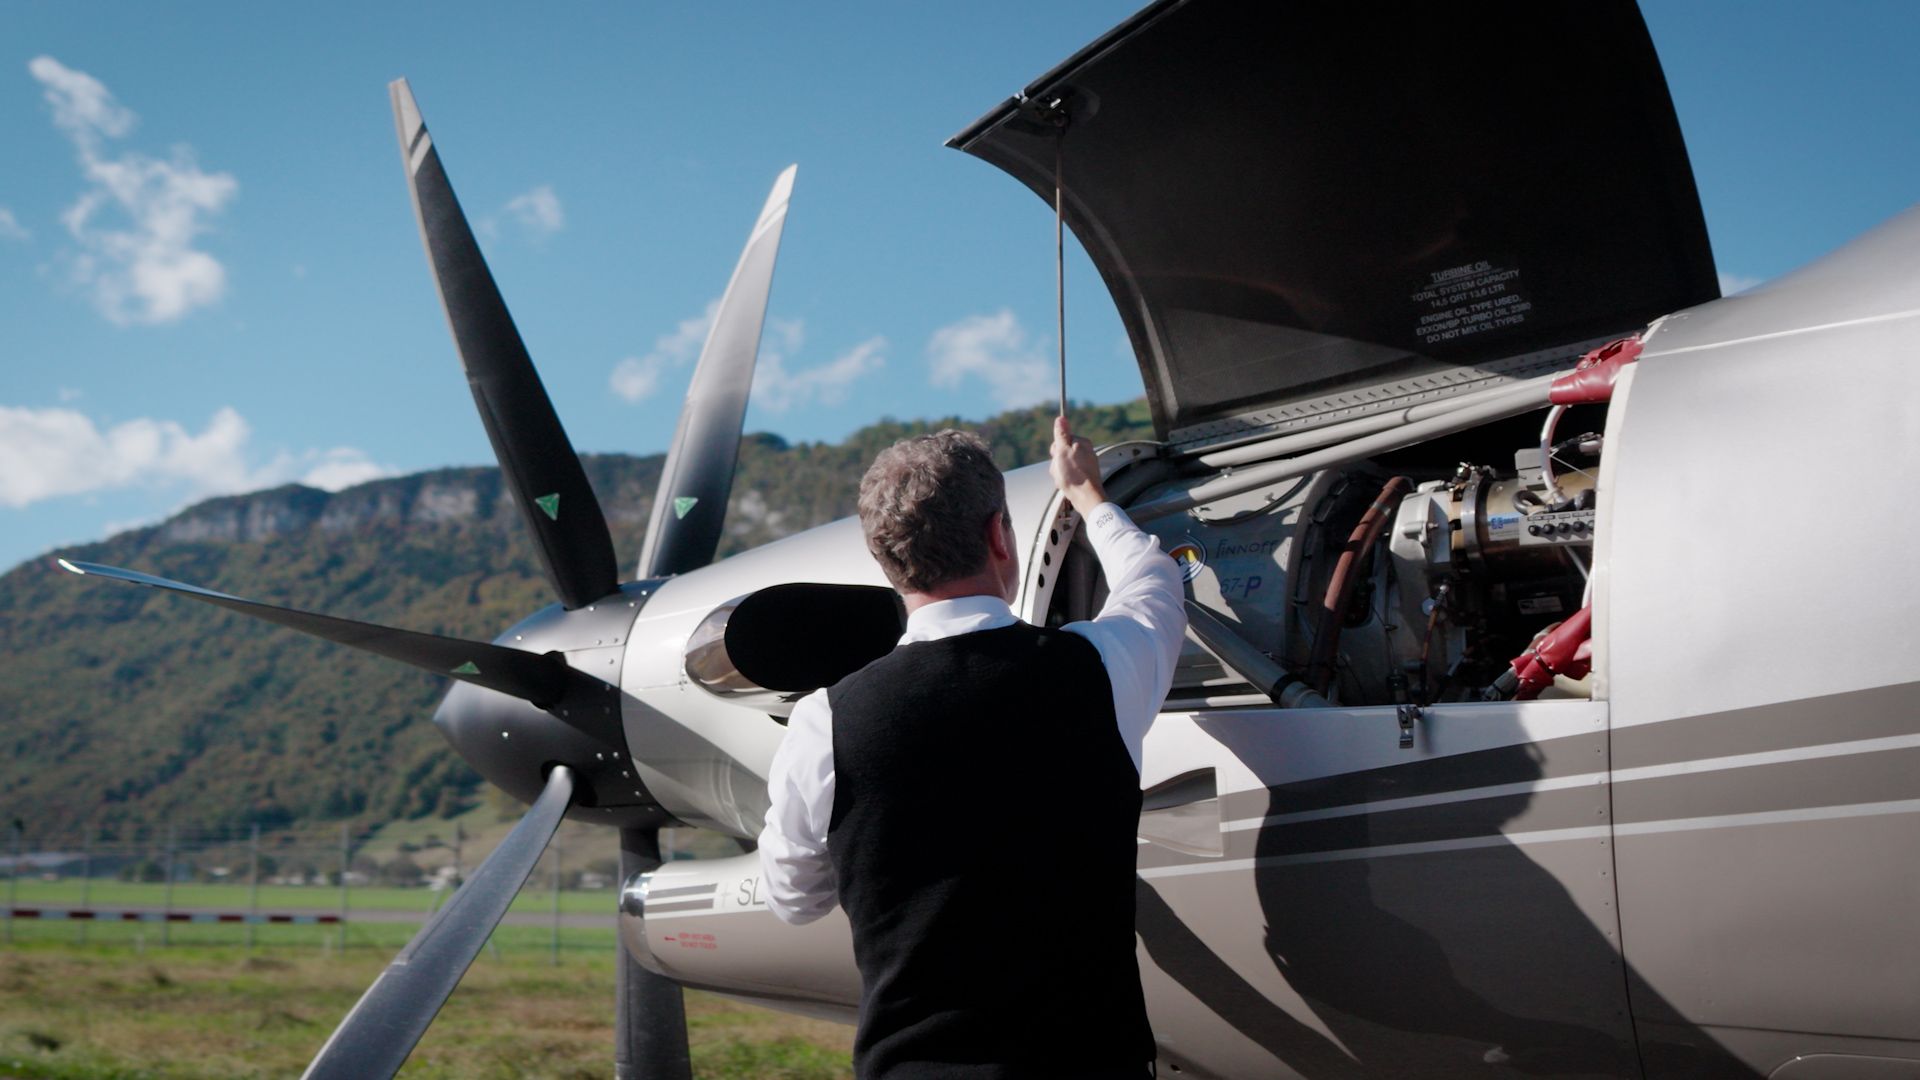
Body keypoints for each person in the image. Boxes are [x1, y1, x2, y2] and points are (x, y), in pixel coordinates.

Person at [757, 417, 1187, 1079]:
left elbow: (792, 900)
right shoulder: (1099, 668)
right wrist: (1087, 497)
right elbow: (1154, 582)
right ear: (998, 535)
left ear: (886, 559)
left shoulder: (824, 722)